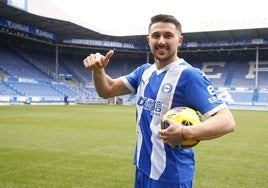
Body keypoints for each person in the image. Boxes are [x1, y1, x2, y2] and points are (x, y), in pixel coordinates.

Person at [83, 14, 235, 188]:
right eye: (156, 35)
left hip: (170, 176)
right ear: (149, 40)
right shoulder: (144, 72)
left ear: (179, 40)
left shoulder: (189, 76)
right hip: (142, 169)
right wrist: (98, 70)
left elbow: (227, 121)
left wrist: (185, 132)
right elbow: (107, 90)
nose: (161, 41)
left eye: (168, 35)